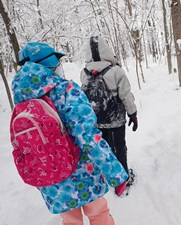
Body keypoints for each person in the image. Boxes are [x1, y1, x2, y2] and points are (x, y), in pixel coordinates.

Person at [12, 42, 128, 225]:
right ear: (50, 64)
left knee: (70, 221)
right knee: (99, 215)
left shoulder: (20, 99)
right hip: (84, 175)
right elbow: (88, 137)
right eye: (58, 61)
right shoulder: (67, 91)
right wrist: (116, 174)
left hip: (52, 180)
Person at [80, 36, 137, 192]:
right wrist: (133, 114)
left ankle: (109, 177)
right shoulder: (116, 71)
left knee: (105, 149)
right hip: (116, 120)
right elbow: (126, 95)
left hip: (97, 120)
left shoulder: (84, 73)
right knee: (120, 147)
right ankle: (123, 180)